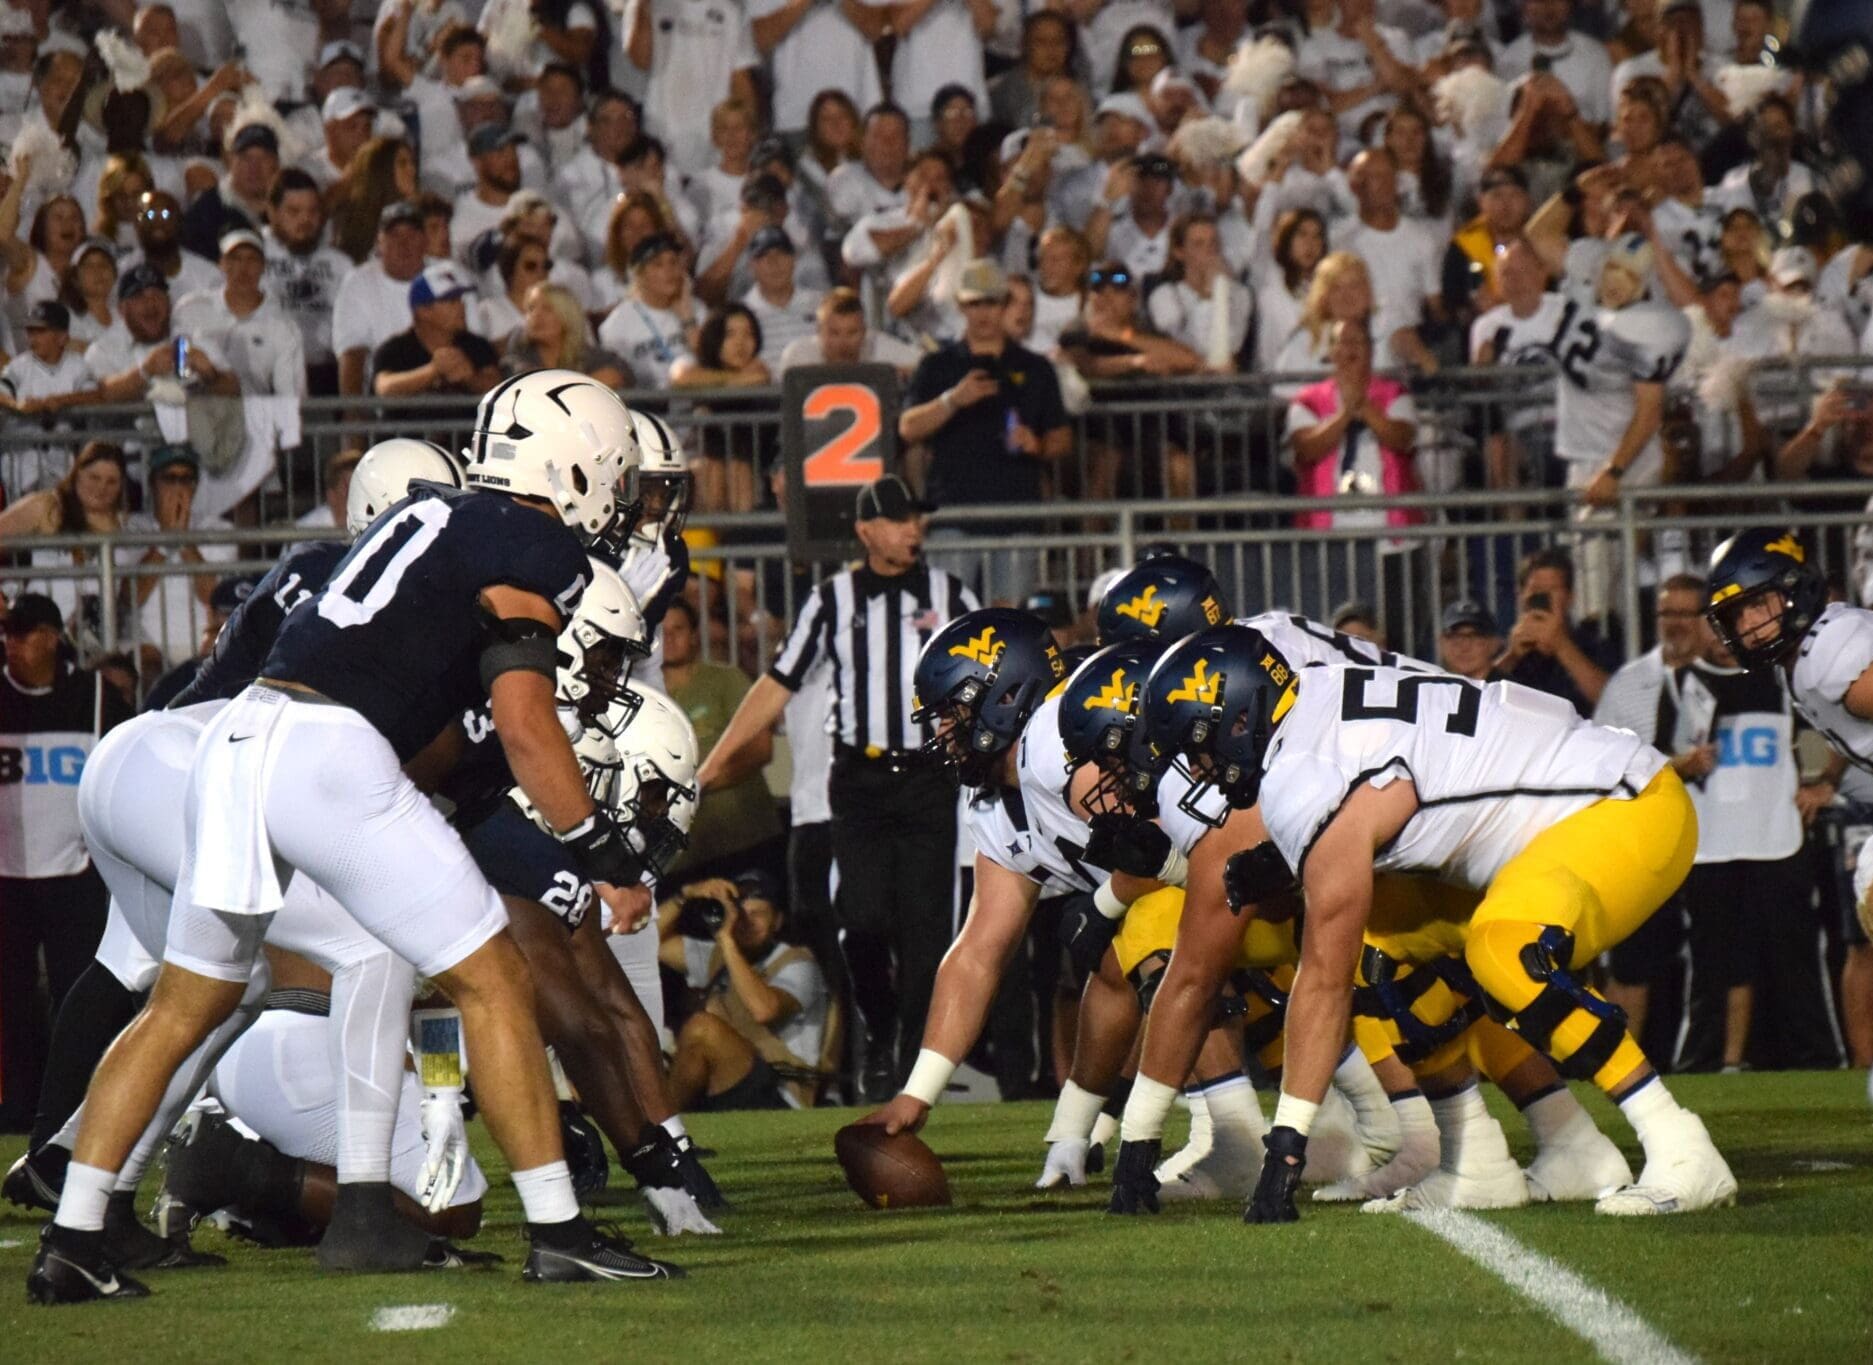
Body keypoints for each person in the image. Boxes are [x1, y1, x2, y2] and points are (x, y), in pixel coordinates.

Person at [26, 373, 674, 1303]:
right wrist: (602, 850)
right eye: (613, 473)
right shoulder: (525, 537)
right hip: (330, 751)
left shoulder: (427, 519)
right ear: (574, 465)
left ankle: (75, 1234)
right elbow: (526, 721)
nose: (615, 496)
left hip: (241, 736)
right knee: (491, 977)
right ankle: (559, 1229)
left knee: (183, 1004)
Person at [1125, 623, 1737, 1223]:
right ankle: (1476, 1162)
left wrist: (1287, 1145)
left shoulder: (1308, 771)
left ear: (1240, 717)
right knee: (1380, 948)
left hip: (1623, 805)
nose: (1199, 769)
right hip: (1541, 824)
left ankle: (1679, 1142)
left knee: (1503, 950)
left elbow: (1321, 980)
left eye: (1199, 746)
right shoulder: (1312, 701)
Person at [698, 476, 979, 1099]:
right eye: (902, 520)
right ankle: (878, 1032)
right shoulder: (832, 600)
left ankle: (911, 1073)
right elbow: (776, 683)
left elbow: (983, 674)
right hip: (861, 781)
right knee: (864, 922)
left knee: (929, 933)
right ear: (866, 530)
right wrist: (713, 764)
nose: (915, 530)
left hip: (931, 780)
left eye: (918, 519)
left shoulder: (950, 594)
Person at [1705, 532, 1873, 1100]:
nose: (1749, 624)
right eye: (1737, 613)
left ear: (1793, 588)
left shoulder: (1828, 652)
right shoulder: (1811, 654)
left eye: (1757, 603)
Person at [0, 594, 133, 1132]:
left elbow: (126, 770)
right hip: (7, 878)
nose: (12, 643)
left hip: (75, 876)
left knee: (76, 994)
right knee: (11, 999)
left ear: (53, 637)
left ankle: (76, 1108)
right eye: (8, 633)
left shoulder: (96, 696)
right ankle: (19, 1109)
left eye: (24, 633)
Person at [897, 259, 1071, 603]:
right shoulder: (938, 366)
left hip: (1017, 513)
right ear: (962, 306)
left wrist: (1035, 444)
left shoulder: (1035, 368)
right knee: (949, 619)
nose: (984, 313)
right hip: (952, 513)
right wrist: (952, 401)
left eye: (991, 302)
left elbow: (1061, 438)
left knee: (1008, 622)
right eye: (976, 303)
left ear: (1004, 304)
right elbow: (907, 427)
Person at [1283, 318, 1422, 626]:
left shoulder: (1395, 394)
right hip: (1328, 537)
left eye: (1357, 342)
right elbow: (1308, 447)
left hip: (1392, 537)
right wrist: (1346, 413)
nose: (1348, 350)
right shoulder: (1306, 400)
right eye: (1341, 342)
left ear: (1372, 350)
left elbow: (1401, 437)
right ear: (1329, 351)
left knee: (1394, 628)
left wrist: (1366, 407)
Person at [662, 869, 830, 1110]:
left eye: (758, 913)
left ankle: (663, 1128)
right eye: (740, 913)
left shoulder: (800, 963)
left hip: (781, 1092)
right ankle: (665, 1126)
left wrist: (727, 940)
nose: (747, 922)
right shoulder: (719, 956)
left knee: (703, 1028)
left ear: (778, 920)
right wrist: (685, 895)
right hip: (729, 1082)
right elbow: (651, 944)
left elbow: (764, 1010)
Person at [660, 595, 784, 884]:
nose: (668, 638)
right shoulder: (643, 695)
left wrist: (699, 786)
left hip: (746, 839)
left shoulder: (726, 679)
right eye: (660, 631)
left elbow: (760, 749)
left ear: (693, 635)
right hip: (683, 858)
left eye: (677, 629)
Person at [118, 444, 238, 671]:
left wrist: (183, 540)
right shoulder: (132, 528)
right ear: (153, 484)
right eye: (169, 479)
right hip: (146, 647)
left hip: (202, 645)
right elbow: (131, 597)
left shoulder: (218, 528)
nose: (178, 487)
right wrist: (165, 542)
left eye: (185, 479)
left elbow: (214, 596)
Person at [625, 0, 760, 175]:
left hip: (714, 139)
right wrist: (644, 9)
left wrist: (748, 135)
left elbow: (741, 77)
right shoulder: (642, 7)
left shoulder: (731, 10)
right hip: (661, 134)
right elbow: (641, 60)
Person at [172, 229, 306, 399]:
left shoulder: (284, 326)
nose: (243, 268)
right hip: (197, 414)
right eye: (234, 258)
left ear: (263, 266)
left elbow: (291, 396)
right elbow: (177, 367)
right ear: (221, 263)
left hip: (255, 418)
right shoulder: (190, 308)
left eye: (252, 259)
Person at [1494, 547, 1620, 717]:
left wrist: (1561, 645)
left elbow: (1613, 701)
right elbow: (1478, 701)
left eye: (1552, 589)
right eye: (1536, 589)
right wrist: (1511, 657)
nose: (1542, 596)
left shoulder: (1594, 646)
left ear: (1570, 597)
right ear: (1521, 595)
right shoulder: (1505, 650)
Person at [262, 169, 352, 395]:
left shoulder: (340, 264)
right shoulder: (252, 255)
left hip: (326, 373)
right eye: (294, 211)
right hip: (267, 372)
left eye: (313, 211)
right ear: (272, 212)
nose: (305, 220)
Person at [0, 302, 98, 498]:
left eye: (41, 331)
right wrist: (17, 405)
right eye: (31, 331)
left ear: (62, 337)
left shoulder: (77, 365)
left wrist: (61, 401)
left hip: (61, 458)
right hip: (22, 458)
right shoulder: (19, 366)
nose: (32, 338)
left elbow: (94, 395)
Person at [331, 202, 429, 396]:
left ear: (425, 241)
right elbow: (352, 355)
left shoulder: (447, 276)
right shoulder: (358, 281)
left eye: (412, 235)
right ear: (379, 243)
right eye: (394, 235)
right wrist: (355, 414)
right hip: (382, 400)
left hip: (441, 396)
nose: (404, 243)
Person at [371, 261, 501, 397]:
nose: (461, 306)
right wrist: (433, 371)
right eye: (451, 301)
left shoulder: (477, 346)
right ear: (424, 310)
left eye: (460, 299)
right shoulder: (395, 349)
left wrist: (470, 378)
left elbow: (497, 386)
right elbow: (384, 388)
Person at [596, 232, 696, 391]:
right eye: (658, 264)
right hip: (647, 405)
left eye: (674, 262)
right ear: (639, 274)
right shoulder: (617, 324)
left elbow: (710, 364)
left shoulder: (698, 309)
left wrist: (688, 318)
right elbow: (618, 380)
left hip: (697, 402)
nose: (669, 270)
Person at [505, 282, 631, 388]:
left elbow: (618, 373)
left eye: (547, 309)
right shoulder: (518, 352)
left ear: (567, 316)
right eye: (531, 308)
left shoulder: (586, 354)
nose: (536, 315)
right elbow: (531, 383)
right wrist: (586, 386)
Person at [776, 286, 920, 375]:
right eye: (834, 333)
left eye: (852, 333)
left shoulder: (880, 347)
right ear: (818, 331)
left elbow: (924, 365)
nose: (843, 344)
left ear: (864, 332)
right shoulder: (798, 356)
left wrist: (902, 373)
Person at [1437, 599, 1501, 681]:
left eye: (1475, 637)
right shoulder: (1430, 690)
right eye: (1456, 637)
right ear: (1441, 643)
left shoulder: (1511, 691)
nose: (1465, 647)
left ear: (1494, 644)